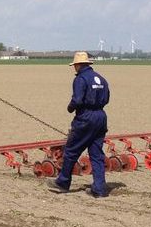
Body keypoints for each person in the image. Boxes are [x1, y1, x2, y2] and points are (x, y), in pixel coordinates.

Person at [47, 51, 110, 198]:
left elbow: (77, 100)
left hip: (86, 117)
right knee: (96, 154)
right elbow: (106, 98)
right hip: (101, 117)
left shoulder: (81, 79)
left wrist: (70, 108)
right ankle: (99, 189)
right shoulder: (101, 78)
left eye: (75, 65)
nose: (74, 68)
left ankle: (63, 182)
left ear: (79, 65)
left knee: (71, 150)